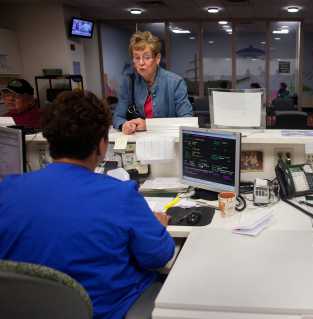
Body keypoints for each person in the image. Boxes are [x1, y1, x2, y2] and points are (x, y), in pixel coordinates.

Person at [0, 90, 175, 319]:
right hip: (108, 311)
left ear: (50, 139)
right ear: (102, 145)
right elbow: (158, 256)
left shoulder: (7, 190)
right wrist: (157, 226)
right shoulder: (120, 195)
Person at [113, 31, 192, 135]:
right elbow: (118, 116)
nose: (141, 63)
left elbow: (187, 121)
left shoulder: (176, 83)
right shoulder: (128, 81)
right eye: (137, 58)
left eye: (146, 57)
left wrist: (149, 125)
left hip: (167, 140)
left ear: (157, 58)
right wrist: (124, 125)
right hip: (139, 141)